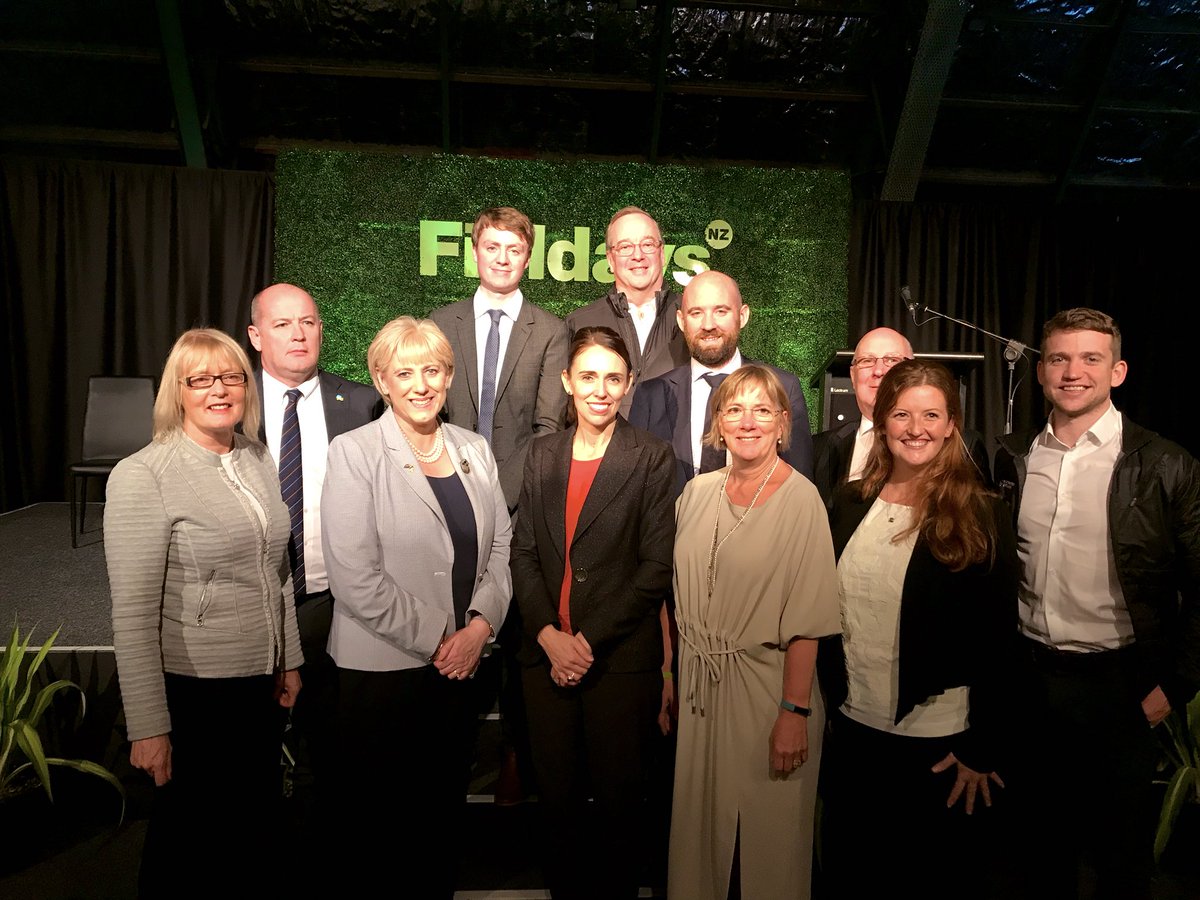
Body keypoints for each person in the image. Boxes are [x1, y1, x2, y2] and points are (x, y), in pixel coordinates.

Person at [994, 308, 1200, 900]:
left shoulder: (1164, 464)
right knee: (1036, 856)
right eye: (1058, 358)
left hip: (1121, 688)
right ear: (1040, 371)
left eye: (1091, 359)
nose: (1073, 371)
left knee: (1120, 864)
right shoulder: (1015, 459)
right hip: (1033, 684)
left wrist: (1176, 685)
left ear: (1119, 371)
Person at [104, 328, 302, 897]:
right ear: (179, 390)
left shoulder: (257, 456)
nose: (220, 390)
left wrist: (289, 660)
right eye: (202, 379)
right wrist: (148, 726)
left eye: (233, 377)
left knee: (252, 837)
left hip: (258, 687)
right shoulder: (144, 475)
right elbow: (133, 616)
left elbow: (278, 572)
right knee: (190, 848)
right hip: (195, 694)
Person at [320, 316, 511, 899]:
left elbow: (501, 544)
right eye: (405, 372)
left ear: (450, 376)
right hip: (382, 675)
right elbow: (355, 578)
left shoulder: (473, 448)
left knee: (439, 824)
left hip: (459, 671)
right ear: (381, 380)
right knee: (381, 833)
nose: (420, 384)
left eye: (432, 370)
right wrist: (442, 640)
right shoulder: (353, 452)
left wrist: (479, 627)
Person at [819, 358, 1019, 899]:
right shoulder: (848, 500)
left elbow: (1001, 638)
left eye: (931, 415)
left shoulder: (983, 512)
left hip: (938, 745)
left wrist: (983, 748)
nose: (916, 428)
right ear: (882, 422)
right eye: (902, 415)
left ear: (952, 423)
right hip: (853, 734)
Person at [510, 326, 676, 900]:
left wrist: (583, 641)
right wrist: (547, 635)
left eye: (613, 378)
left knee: (618, 805)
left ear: (629, 383)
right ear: (567, 382)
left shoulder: (653, 458)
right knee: (554, 803)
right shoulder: (539, 454)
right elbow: (522, 553)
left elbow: (655, 568)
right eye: (588, 377)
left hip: (618, 661)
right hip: (543, 659)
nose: (600, 390)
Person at [669, 365, 839, 900]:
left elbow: (809, 620)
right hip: (700, 691)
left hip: (768, 691)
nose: (747, 422)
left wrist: (794, 713)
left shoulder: (803, 500)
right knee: (700, 839)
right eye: (734, 409)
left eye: (762, 410)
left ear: (784, 424)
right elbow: (670, 594)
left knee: (769, 843)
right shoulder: (695, 493)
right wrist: (668, 674)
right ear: (717, 422)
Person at [431, 205, 569, 804]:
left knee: (513, 639)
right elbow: (429, 414)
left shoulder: (551, 329)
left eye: (515, 249)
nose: (503, 258)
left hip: (515, 504)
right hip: (444, 505)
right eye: (492, 247)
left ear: (528, 255)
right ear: (475, 251)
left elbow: (545, 427)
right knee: (448, 624)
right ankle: (444, 762)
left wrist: (491, 495)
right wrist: (457, 493)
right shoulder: (441, 321)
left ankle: (515, 753)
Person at [247, 282, 381, 843]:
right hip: (251, 610)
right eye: (282, 324)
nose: (299, 333)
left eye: (308, 322)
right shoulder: (230, 405)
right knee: (248, 765)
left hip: (336, 609)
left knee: (337, 760)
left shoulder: (363, 404)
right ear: (255, 337)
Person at [629, 269, 814, 488]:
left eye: (721, 311)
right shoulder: (651, 394)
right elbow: (635, 486)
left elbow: (799, 482)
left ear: (742, 316)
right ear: (681, 320)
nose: (708, 325)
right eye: (696, 313)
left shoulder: (784, 387)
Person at [812, 326, 992, 504]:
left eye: (891, 360)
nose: (879, 371)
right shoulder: (818, 448)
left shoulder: (965, 447)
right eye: (867, 360)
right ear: (852, 375)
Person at [565, 206, 689, 414]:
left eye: (647, 244)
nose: (638, 255)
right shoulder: (578, 323)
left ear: (663, 254)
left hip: (674, 446)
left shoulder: (693, 317)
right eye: (625, 247)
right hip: (604, 446)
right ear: (610, 260)